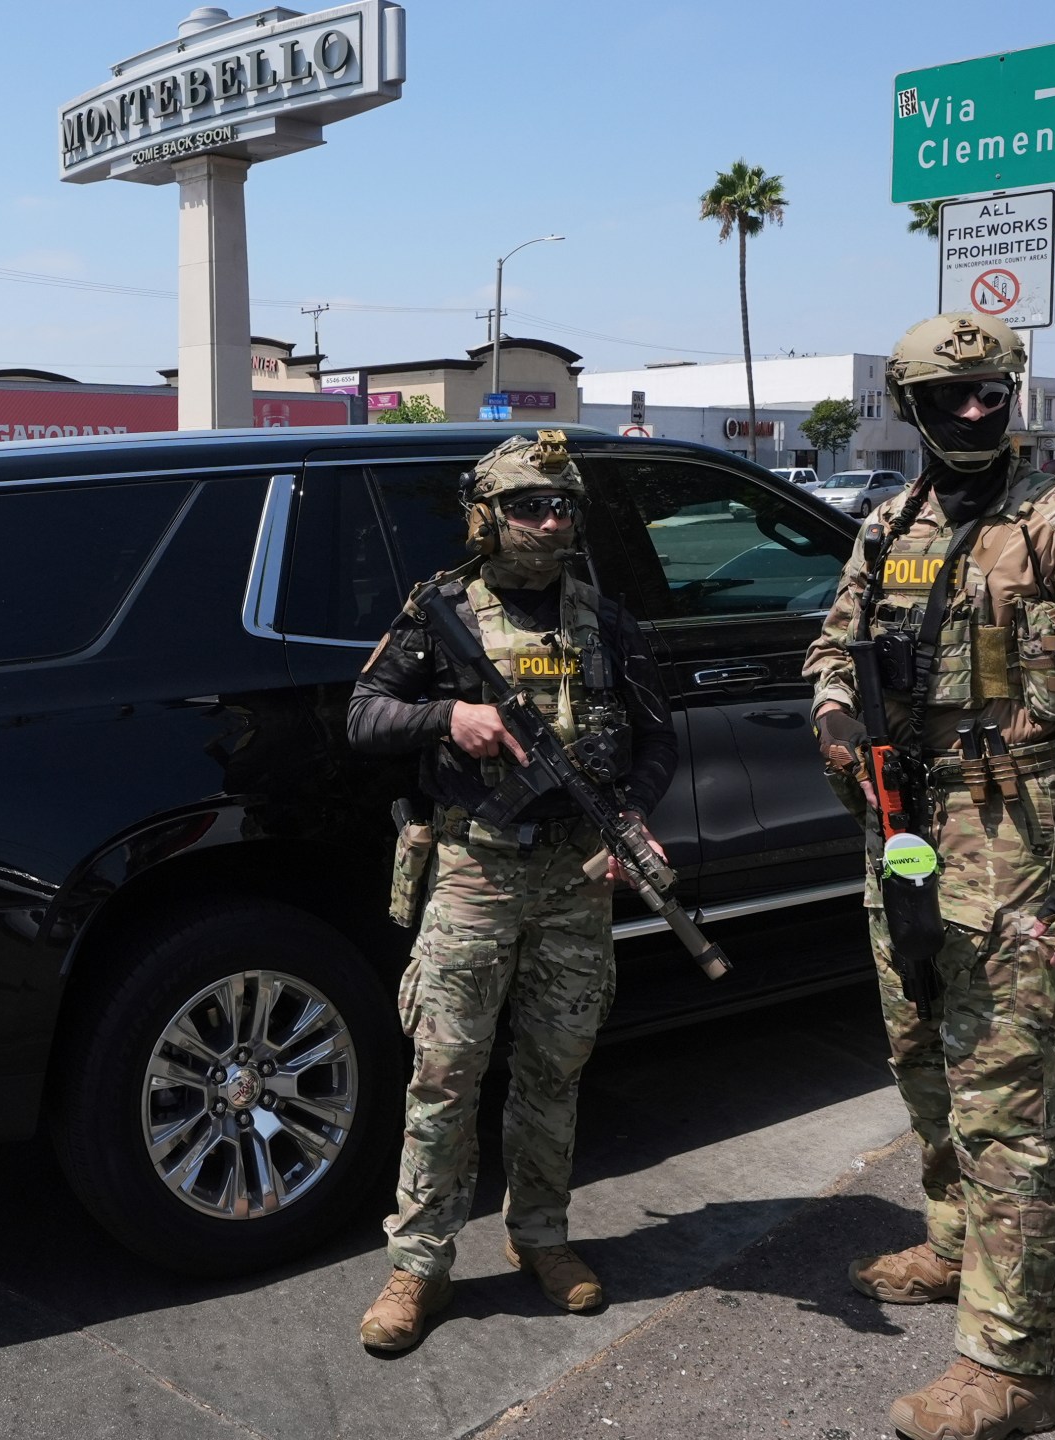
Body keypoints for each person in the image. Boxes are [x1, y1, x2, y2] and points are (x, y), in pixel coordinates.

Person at [803, 314, 1055, 1439]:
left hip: (1019, 838)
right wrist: (829, 710)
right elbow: (830, 641)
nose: (976, 408)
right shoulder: (891, 526)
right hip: (908, 835)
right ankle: (954, 1241)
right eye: (950, 393)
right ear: (906, 408)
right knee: (919, 1051)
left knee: (1003, 1101)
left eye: (991, 388)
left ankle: (1013, 1365)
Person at [345, 432, 678, 1354]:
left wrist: (633, 820)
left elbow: (658, 742)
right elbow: (363, 713)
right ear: (485, 517)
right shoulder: (440, 611)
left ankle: (541, 1238)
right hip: (476, 871)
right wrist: (452, 714)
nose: (547, 521)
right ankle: (419, 1265)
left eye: (561, 505)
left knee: (555, 1068)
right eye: (528, 505)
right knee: (445, 1072)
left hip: (574, 880)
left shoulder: (603, 622)